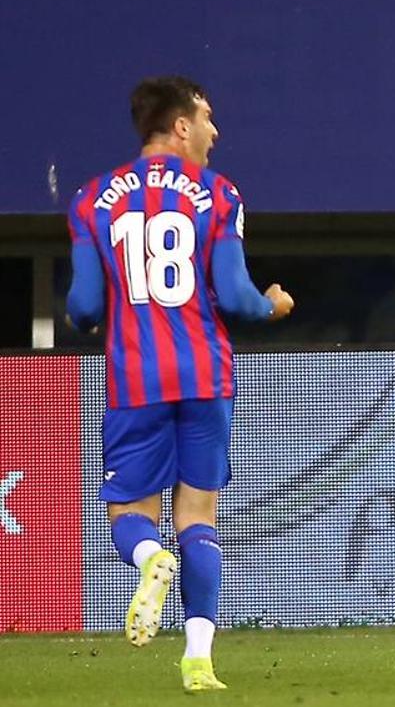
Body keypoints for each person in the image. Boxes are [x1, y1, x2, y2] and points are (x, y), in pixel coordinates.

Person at [66, 76, 294, 688]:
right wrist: (273, 304)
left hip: (135, 376)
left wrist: (82, 314)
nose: (216, 133)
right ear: (181, 126)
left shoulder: (91, 200)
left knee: (128, 511)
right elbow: (241, 299)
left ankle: (148, 558)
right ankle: (198, 660)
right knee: (198, 516)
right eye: (208, 118)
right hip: (205, 373)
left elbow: (86, 304)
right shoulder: (217, 195)